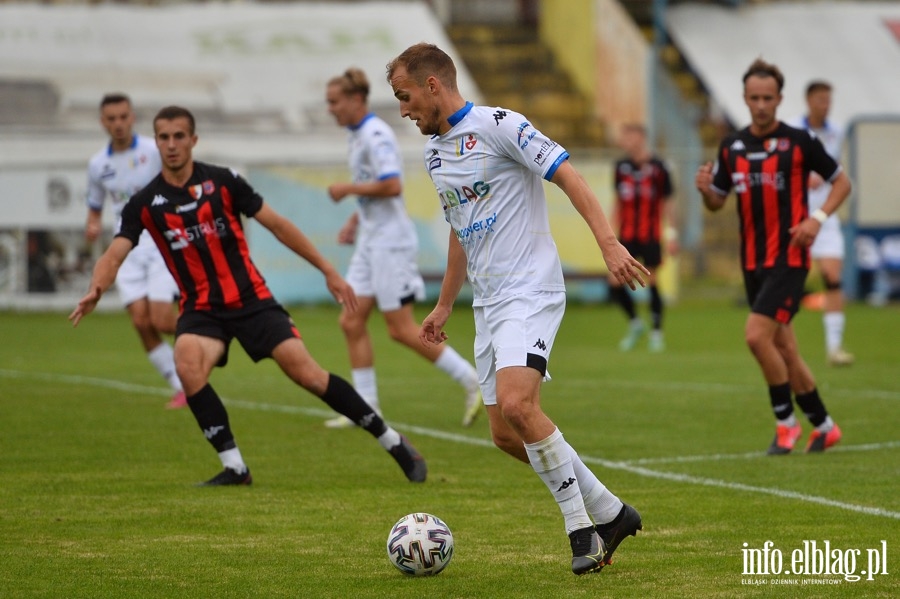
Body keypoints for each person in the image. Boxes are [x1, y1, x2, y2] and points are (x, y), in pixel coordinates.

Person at [386, 43, 646, 576]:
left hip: (530, 288)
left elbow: (569, 176)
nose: (404, 109)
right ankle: (611, 512)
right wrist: (442, 305)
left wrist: (609, 244)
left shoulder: (502, 125)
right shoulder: (436, 154)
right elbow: (461, 228)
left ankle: (582, 531)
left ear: (433, 85)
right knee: (505, 434)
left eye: (405, 96)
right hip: (488, 302)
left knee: (518, 405)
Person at [70, 105, 427, 486]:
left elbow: (278, 225)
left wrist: (327, 270)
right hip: (202, 309)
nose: (171, 145)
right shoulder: (144, 203)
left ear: (193, 140)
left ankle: (392, 442)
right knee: (187, 365)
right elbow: (115, 252)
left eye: (179, 136)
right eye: (163, 137)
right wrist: (97, 287)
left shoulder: (224, 183)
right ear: (156, 142)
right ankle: (235, 468)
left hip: (251, 300)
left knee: (308, 375)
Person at [695, 59, 851, 455]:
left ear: (780, 99)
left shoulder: (799, 141)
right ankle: (825, 425)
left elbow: (842, 182)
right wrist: (706, 191)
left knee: (755, 336)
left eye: (768, 98)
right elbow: (718, 202)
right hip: (752, 263)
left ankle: (786, 424)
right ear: (745, 99)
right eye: (754, 98)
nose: (761, 105)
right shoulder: (732, 145)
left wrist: (816, 219)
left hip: (789, 259)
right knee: (786, 350)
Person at [323, 67, 482, 429]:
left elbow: (391, 185)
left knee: (400, 327)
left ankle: (470, 379)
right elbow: (374, 188)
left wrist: (348, 190)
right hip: (371, 239)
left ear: (355, 100)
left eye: (334, 102)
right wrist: (355, 219)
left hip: (390, 243)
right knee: (350, 319)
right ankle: (368, 408)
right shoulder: (356, 135)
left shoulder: (376, 134)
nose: (330, 109)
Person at [85, 93, 186, 409]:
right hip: (125, 244)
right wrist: (92, 225)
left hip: (159, 241)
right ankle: (181, 384)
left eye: (123, 117)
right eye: (111, 118)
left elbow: (178, 181)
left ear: (132, 118)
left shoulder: (153, 151)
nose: (118, 124)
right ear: (103, 122)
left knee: (163, 320)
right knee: (141, 323)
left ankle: (206, 333)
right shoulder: (97, 165)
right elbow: (95, 205)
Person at [787, 81, 854, 366]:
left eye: (828, 100)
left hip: (824, 218)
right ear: (808, 101)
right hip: (795, 217)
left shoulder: (837, 131)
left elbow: (836, 171)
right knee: (788, 284)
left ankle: (834, 348)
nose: (824, 105)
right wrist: (805, 177)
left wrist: (823, 176)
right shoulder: (792, 130)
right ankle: (786, 348)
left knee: (832, 277)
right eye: (820, 100)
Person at [609, 123, 677, 352]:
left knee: (653, 280)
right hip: (626, 234)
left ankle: (657, 332)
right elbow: (617, 201)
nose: (624, 141)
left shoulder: (659, 167)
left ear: (640, 138)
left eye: (628, 136)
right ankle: (636, 324)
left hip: (650, 234)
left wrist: (672, 233)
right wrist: (610, 235)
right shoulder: (621, 167)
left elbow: (668, 202)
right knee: (615, 281)